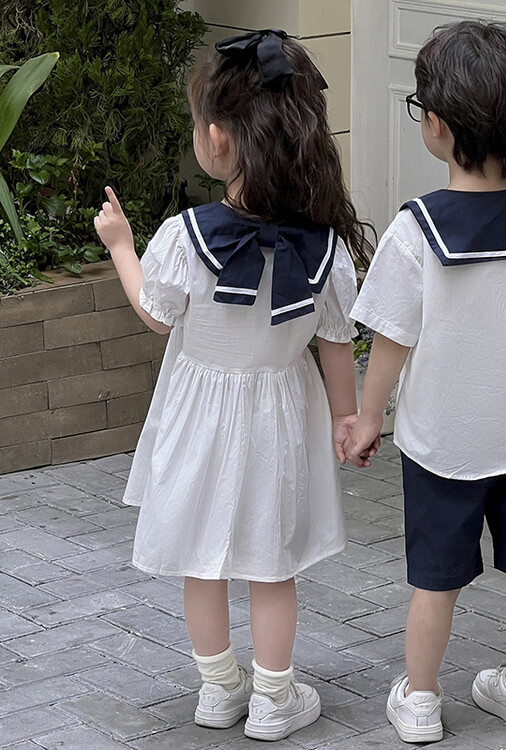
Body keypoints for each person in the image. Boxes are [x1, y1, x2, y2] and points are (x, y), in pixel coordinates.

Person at [94, 29, 372, 742]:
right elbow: (335, 340)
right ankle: (275, 699)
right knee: (271, 565)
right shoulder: (325, 247)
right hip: (281, 415)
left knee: (203, 558)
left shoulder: (184, 237)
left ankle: (219, 689)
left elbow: (155, 314)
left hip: (197, 417)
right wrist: (347, 417)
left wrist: (121, 246)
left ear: (217, 138)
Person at [345, 20, 506, 744]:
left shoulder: (417, 229)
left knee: (436, 579)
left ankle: (422, 700)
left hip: (441, 441)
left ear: (439, 125)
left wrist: (368, 418)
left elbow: (391, 338)